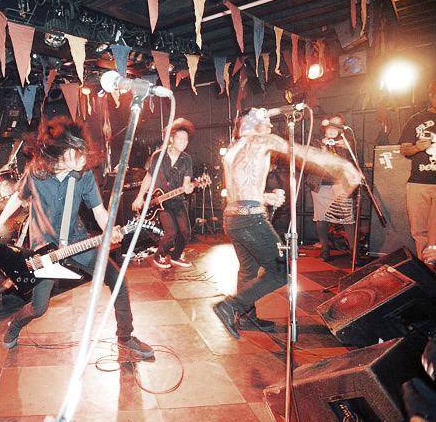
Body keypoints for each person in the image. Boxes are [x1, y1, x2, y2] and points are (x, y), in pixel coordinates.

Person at [0, 115, 153, 358]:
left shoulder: (83, 176)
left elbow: (99, 211)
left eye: (83, 151)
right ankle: (15, 325)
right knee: (39, 308)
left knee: (118, 280)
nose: (83, 157)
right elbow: (18, 198)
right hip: (45, 251)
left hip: (77, 242)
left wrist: (110, 230)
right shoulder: (36, 173)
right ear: (60, 152)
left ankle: (125, 336)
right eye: (76, 152)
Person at [212, 107, 360, 339]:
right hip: (250, 219)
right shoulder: (263, 140)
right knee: (282, 270)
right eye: (266, 120)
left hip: (232, 218)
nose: (271, 124)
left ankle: (247, 317)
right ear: (253, 123)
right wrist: (343, 165)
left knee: (248, 270)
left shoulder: (232, 150)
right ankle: (231, 306)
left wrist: (265, 197)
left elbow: (236, 191)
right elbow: (302, 152)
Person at [132, 118, 197, 269]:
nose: (183, 142)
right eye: (180, 138)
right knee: (171, 232)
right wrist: (139, 197)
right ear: (172, 139)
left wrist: (188, 188)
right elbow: (149, 177)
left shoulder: (187, 159)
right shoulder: (158, 156)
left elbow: (187, 182)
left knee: (186, 232)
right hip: (160, 201)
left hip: (178, 200)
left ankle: (175, 256)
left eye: (186, 139)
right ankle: (159, 255)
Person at [308, 114, 358, 262]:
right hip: (320, 184)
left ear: (341, 129)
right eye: (330, 126)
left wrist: (345, 146)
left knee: (347, 218)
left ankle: (354, 253)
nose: (332, 129)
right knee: (321, 218)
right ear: (325, 127)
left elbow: (353, 161)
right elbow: (311, 162)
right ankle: (325, 251)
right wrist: (323, 148)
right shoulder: (316, 141)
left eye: (337, 127)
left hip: (340, 184)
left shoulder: (346, 144)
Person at [399, 80, 436, 261]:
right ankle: (427, 268)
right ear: (431, 95)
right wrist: (417, 147)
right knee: (419, 230)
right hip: (418, 182)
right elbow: (404, 149)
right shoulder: (416, 119)